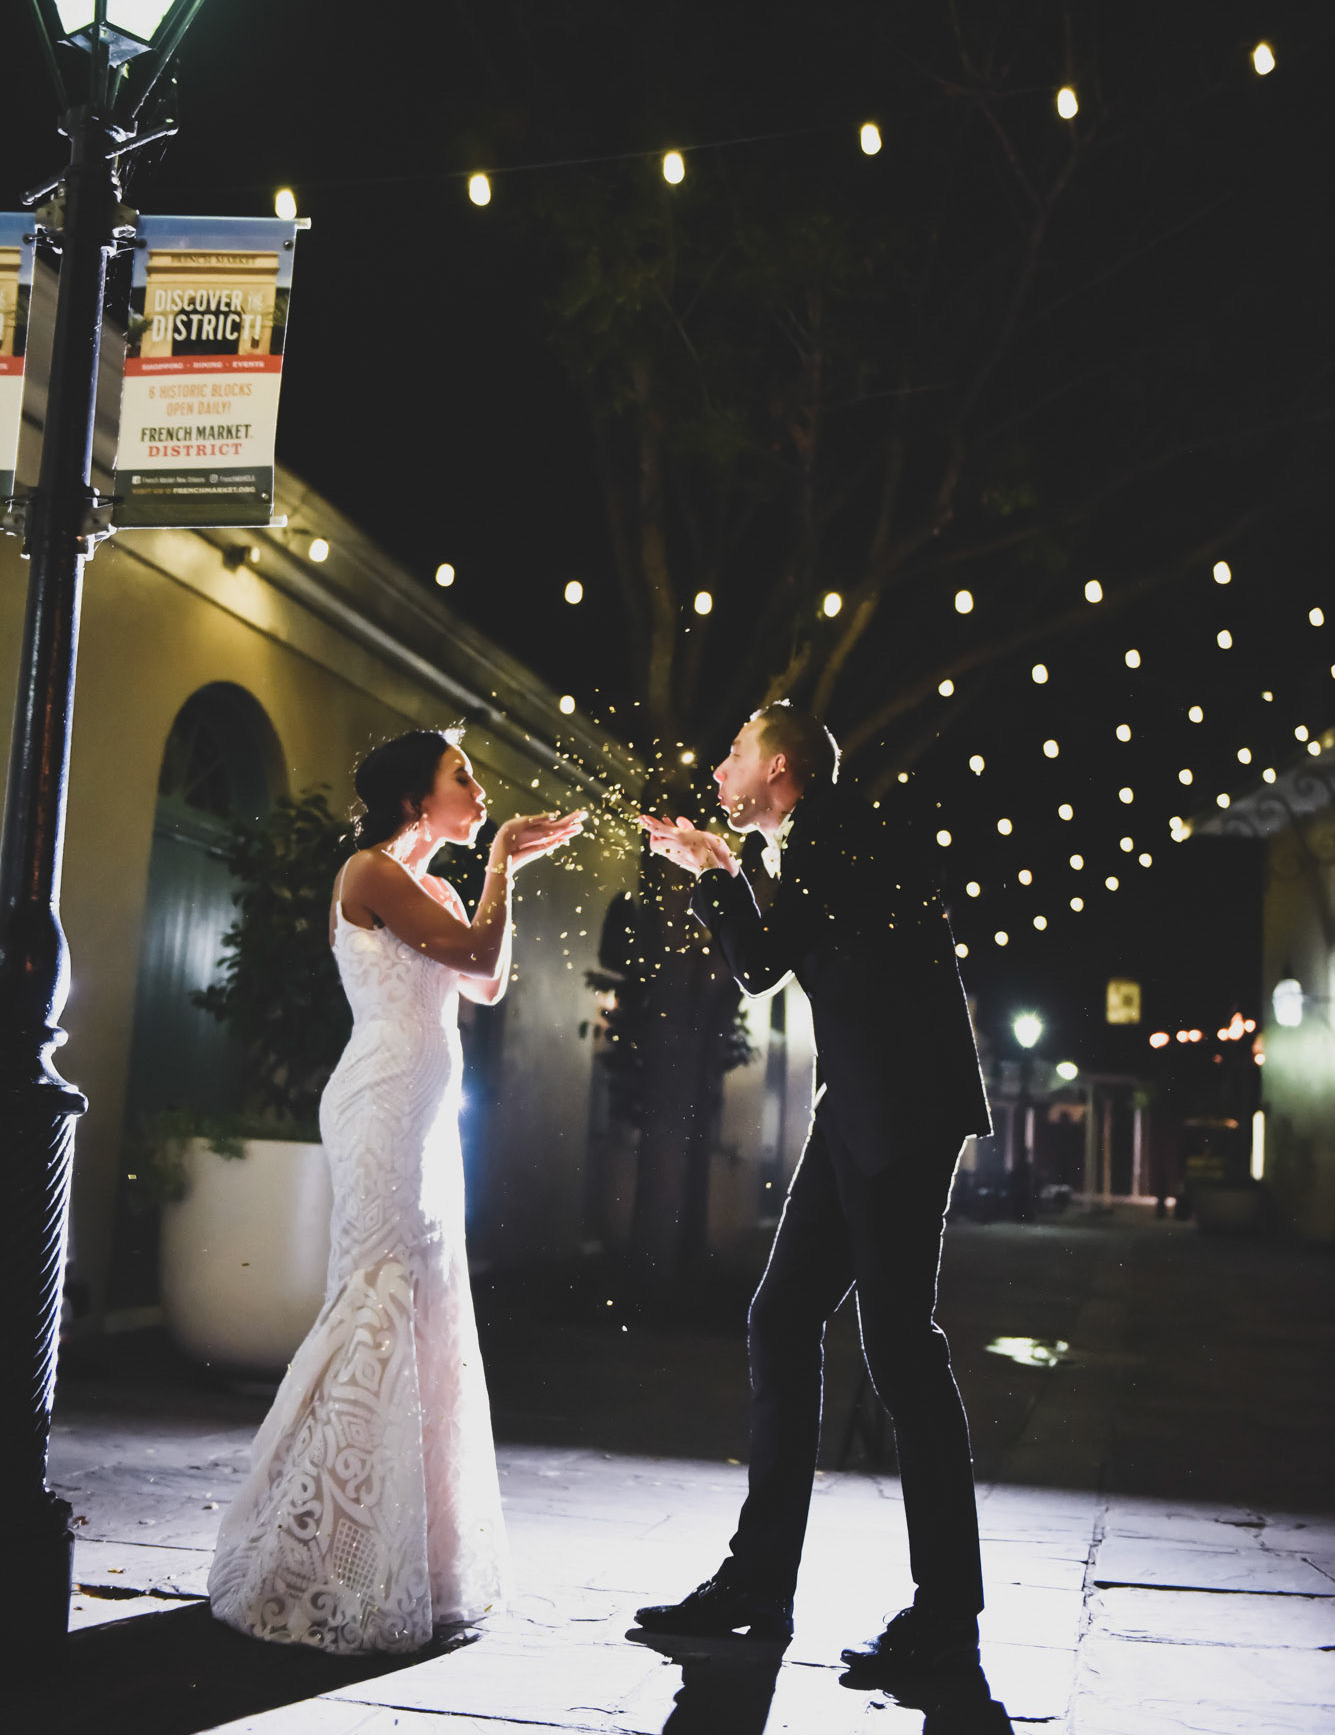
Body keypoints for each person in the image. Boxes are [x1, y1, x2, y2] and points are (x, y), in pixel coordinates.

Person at [635, 703, 991, 1685]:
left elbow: (756, 963)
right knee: (783, 1315)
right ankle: (758, 1584)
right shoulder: (827, 835)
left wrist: (715, 866)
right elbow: (784, 943)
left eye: (734, 746)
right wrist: (732, 862)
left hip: (897, 1113)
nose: (717, 760)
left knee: (899, 1351)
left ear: (781, 765)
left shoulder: (833, 825)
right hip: (867, 1108)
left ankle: (946, 1617)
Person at [209, 728, 584, 1655]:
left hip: (429, 1120)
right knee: (376, 1296)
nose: (481, 788)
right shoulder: (369, 873)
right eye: (465, 776)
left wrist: (501, 877)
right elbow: (469, 948)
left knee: (423, 1308)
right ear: (418, 799)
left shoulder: (441, 887)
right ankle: (314, 1545)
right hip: (380, 1108)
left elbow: (486, 979)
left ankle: (399, 1548)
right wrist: (501, 860)